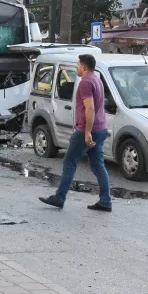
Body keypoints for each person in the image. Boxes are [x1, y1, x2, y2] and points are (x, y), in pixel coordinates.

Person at [39, 54, 111, 212]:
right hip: (101, 129)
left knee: (69, 162)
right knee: (98, 166)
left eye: (78, 65)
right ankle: (106, 201)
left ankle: (59, 197)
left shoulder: (85, 82)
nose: (77, 67)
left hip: (89, 130)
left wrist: (86, 132)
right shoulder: (97, 79)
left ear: (84, 67)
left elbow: (90, 108)